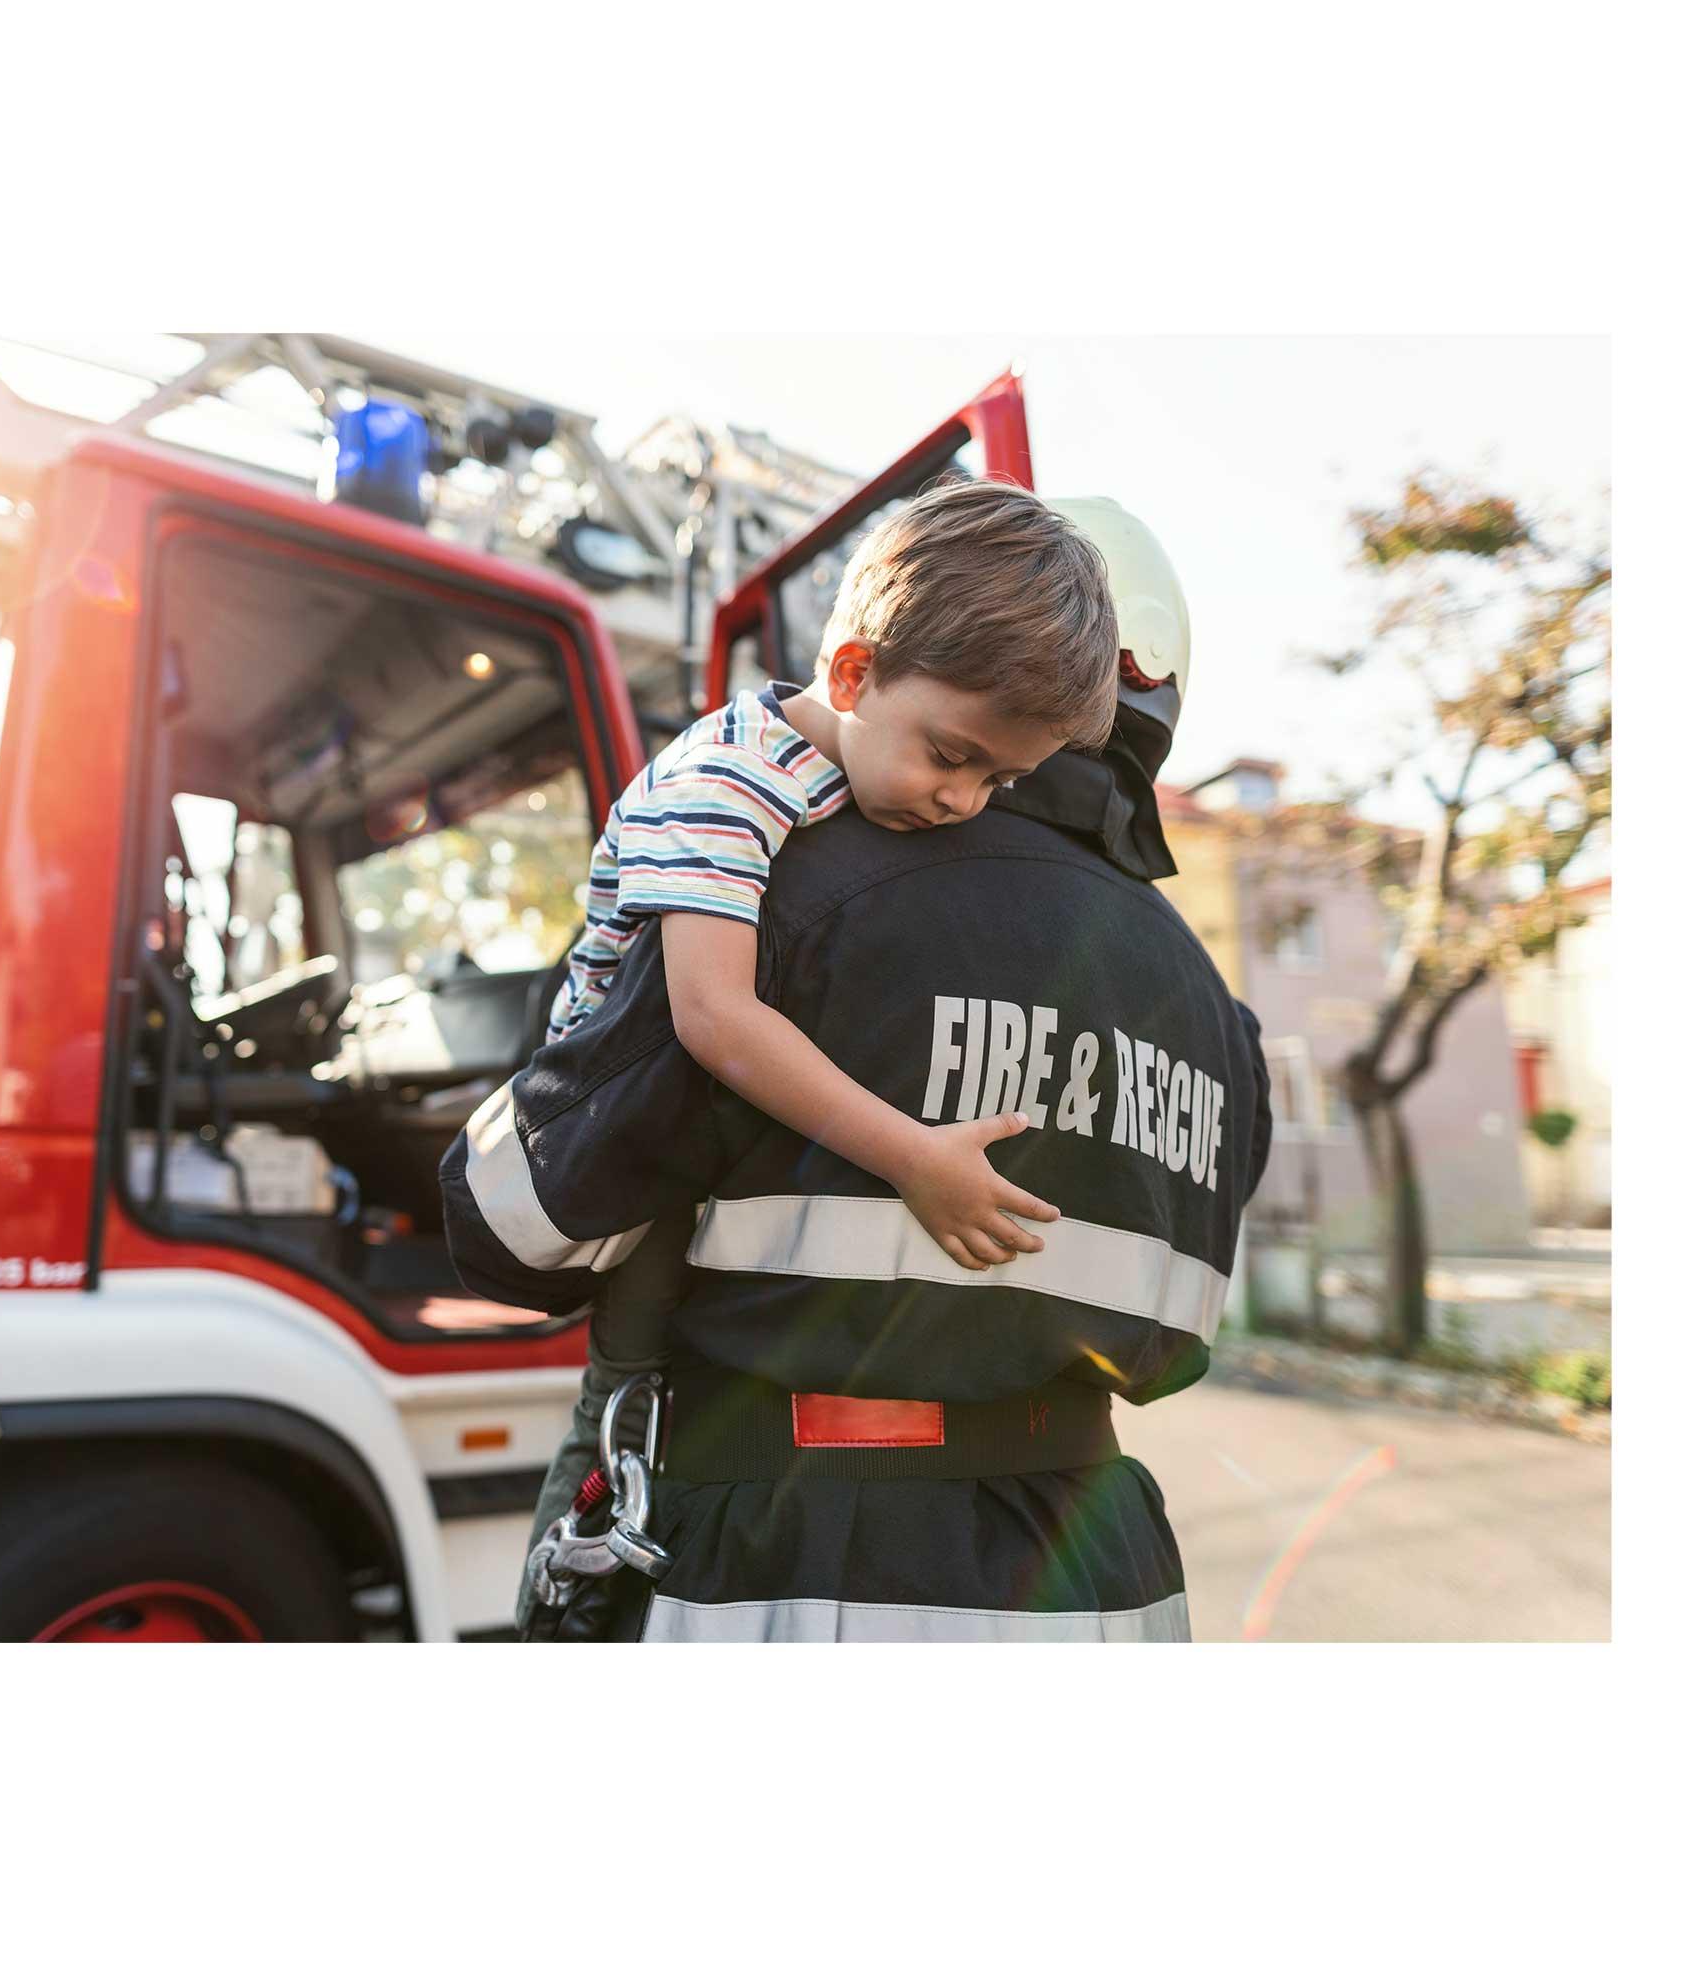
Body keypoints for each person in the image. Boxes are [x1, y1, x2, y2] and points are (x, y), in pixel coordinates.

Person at [442, 495, 1272, 1641]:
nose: (960, 800)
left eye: (990, 772)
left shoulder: (807, 885)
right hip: (1101, 1575)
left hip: (786, 1555)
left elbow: (510, 1231)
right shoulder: (1222, 1024)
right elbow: (1175, 1342)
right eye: (956, 759)